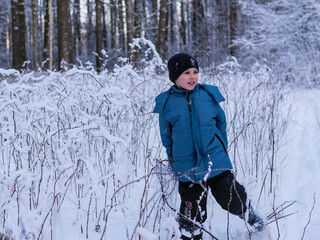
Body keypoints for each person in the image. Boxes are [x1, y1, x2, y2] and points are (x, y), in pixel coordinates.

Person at [153, 53, 264, 240]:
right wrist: (174, 161)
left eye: (195, 72)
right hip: (187, 167)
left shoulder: (207, 95)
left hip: (215, 160)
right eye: (186, 72)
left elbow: (221, 123)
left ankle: (250, 215)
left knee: (232, 197)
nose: (192, 76)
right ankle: (189, 235)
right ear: (174, 76)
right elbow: (167, 137)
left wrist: (221, 149)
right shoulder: (167, 103)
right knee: (191, 213)